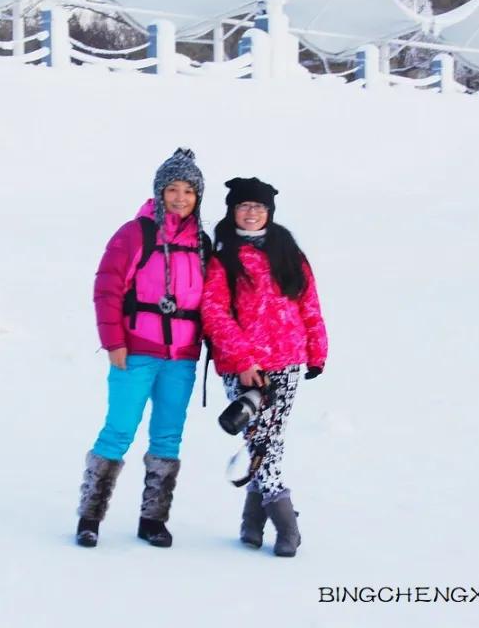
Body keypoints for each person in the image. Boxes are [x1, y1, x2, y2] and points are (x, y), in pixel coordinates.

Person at [75, 148, 209, 549]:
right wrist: (113, 341)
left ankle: (153, 519)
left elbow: (215, 299)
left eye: (189, 190)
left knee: (168, 436)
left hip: (181, 357)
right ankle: (90, 516)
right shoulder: (135, 233)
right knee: (118, 430)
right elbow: (107, 286)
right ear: (159, 191)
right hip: (135, 351)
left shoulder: (203, 242)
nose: (180, 198)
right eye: (173, 189)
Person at [202, 177, 328, 557]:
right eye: (244, 206)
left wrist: (317, 350)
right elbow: (214, 311)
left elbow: (308, 303)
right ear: (232, 210)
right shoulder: (223, 256)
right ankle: (286, 524)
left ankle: (253, 523)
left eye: (259, 207)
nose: (252, 212)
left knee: (267, 442)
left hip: (287, 360)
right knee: (262, 443)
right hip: (243, 367)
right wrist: (242, 361)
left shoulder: (288, 251)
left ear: (269, 212)